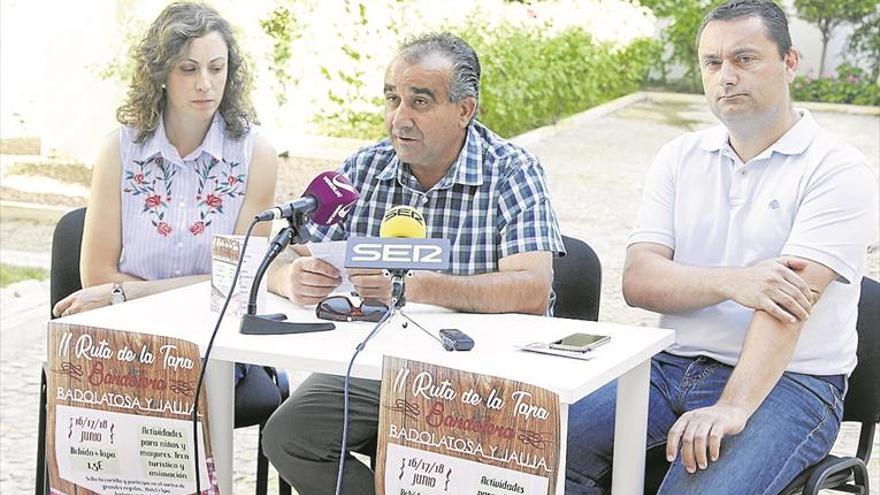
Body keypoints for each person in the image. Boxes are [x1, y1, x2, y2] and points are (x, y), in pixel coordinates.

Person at [565, 1, 879, 494]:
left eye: (744, 59)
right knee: (534, 450)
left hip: (791, 384)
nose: (726, 76)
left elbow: (784, 308)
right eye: (713, 63)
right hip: (668, 367)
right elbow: (640, 281)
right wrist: (735, 280)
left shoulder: (836, 169)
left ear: (790, 62)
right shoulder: (679, 156)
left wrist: (733, 406)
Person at [262, 32, 565, 494]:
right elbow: (289, 245)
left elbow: (532, 288)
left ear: (465, 110)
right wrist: (290, 277)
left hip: (482, 377)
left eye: (420, 102)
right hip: (378, 369)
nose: (399, 118)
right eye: (392, 99)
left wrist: (412, 288)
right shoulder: (364, 168)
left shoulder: (512, 170)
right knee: (290, 435)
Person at [52, 1, 278, 383]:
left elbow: (238, 285)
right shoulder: (118, 151)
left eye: (217, 68)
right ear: (160, 74)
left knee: (182, 393)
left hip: (213, 344)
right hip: (126, 336)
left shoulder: (258, 156)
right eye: (188, 69)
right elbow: (97, 276)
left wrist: (127, 292)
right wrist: (128, 297)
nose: (205, 83)